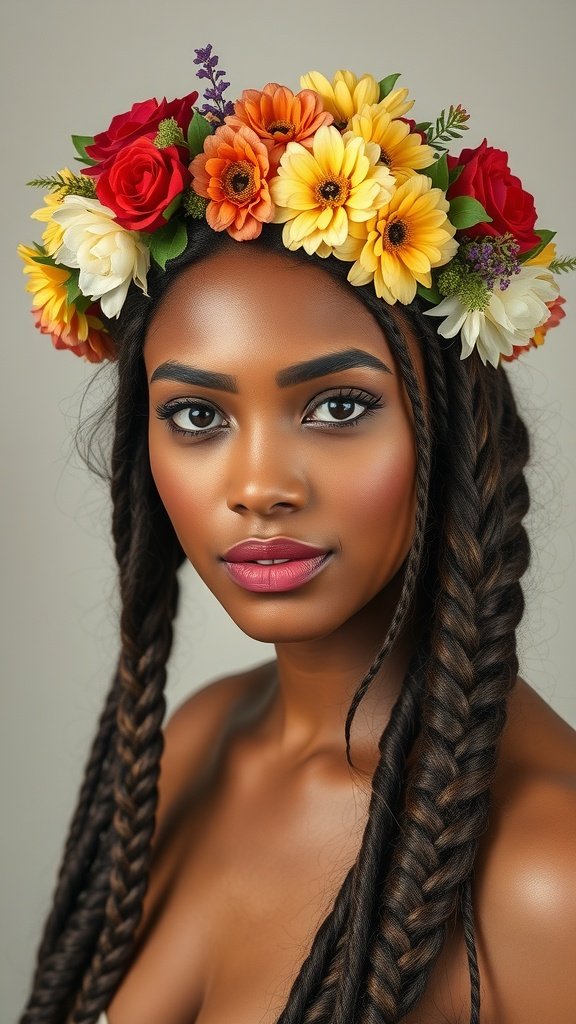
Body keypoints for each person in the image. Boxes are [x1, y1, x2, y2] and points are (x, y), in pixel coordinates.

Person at [17, 48, 576, 1024]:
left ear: (447, 427)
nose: (259, 487)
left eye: (337, 406)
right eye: (197, 416)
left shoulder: (548, 869)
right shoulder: (194, 745)